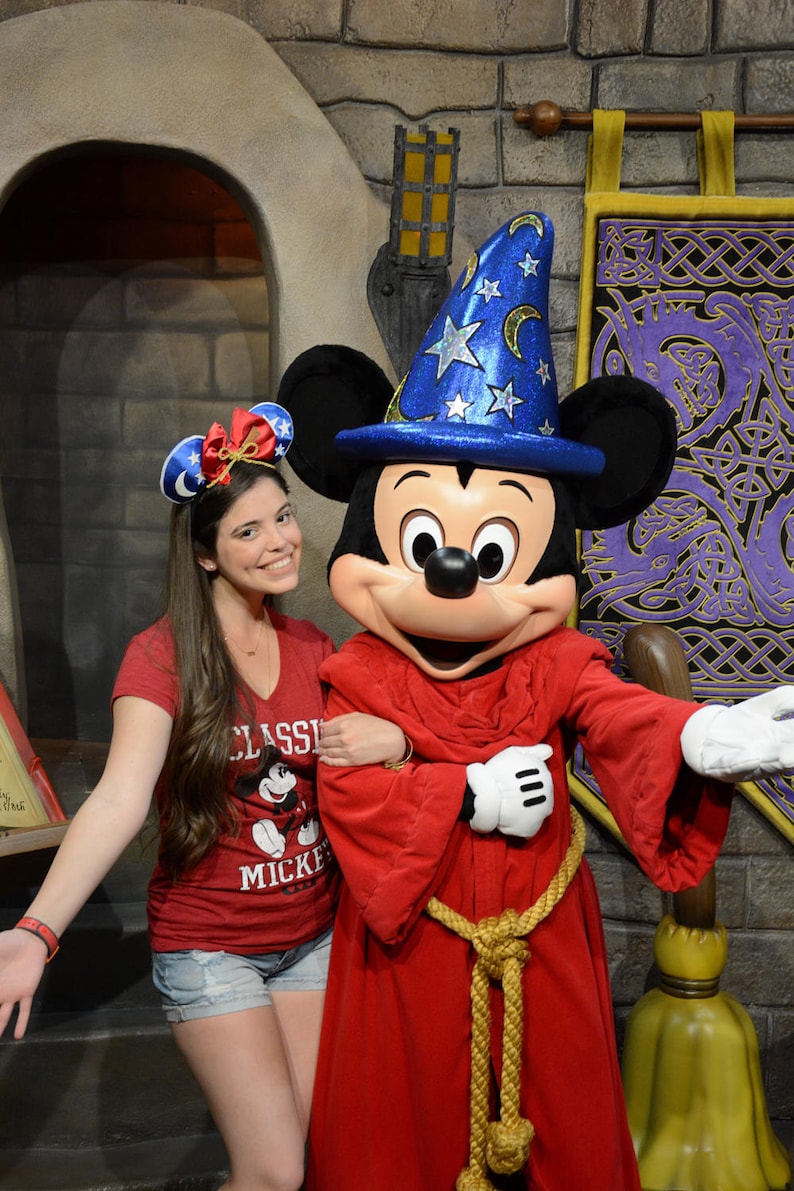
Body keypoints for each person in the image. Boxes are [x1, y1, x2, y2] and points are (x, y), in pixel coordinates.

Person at [0, 401, 407, 1191]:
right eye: (248, 531)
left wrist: (396, 742)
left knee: (324, 1157)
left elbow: (367, 761)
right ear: (208, 555)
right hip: (211, 948)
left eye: (283, 517)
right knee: (275, 1169)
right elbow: (118, 799)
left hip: (313, 941)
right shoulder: (159, 659)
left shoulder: (313, 647)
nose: (280, 539)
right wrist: (36, 932)